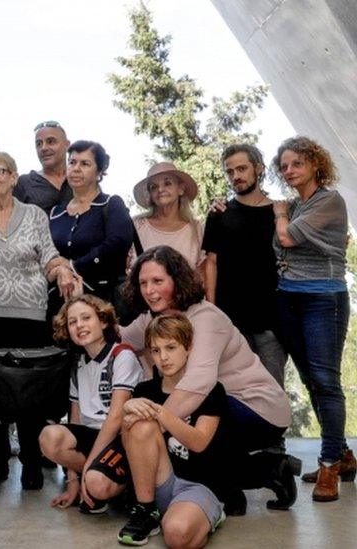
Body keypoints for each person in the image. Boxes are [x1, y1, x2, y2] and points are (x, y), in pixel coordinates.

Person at [120, 245, 298, 515]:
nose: (149, 290)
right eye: (143, 282)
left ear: (177, 280)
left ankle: (268, 470)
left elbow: (198, 385)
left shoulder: (205, 318)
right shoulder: (153, 319)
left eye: (158, 281)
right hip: (217, 404)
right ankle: (230, 489)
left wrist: (148, 428)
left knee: (182, 440)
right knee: (183, 437)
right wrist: (89, 314)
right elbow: (121, 339)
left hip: (258, 410)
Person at [0, 150, 78, 489]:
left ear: (13, 176)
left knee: (29, 392)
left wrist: (62, 270)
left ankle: (32, 462)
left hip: (30, 314)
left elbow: (48, 255)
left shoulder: (34, 215)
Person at [271, 136, 353, 501]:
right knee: (309, 380)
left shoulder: (329, 200)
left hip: (323, 299)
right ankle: (345, 455)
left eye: (296, 164)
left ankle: (329, 464)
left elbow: (286, 239)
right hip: (289, 298)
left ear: (315, 165)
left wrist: (278, 215)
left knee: (325, 381)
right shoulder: (294, 204)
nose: (289, 171)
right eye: (284, 166)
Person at [118, 314, 228, 547]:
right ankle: (147, 511)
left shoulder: (210, 389)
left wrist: (161, 412)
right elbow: (128, 441)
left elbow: (198, 442)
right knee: (140, 423)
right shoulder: (144, 389)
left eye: (171, 347)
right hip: (157, 483)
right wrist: (127, 407)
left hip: (198, 485)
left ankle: (210, 514)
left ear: (188, 347)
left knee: (177, 534)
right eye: (155, 351)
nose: (163, 357)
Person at [40, 295, 144, 514]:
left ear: (103, 321)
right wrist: (73, 482)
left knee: (96, 483)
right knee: (49, 437)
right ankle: (97, 478)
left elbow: (116, 417)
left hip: (119, 437)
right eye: (72, 322)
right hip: (92, 434)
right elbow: (75, 421)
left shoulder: (121, 355)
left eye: (86, 318)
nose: (79, 325)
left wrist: (87, 468)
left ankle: (125, 485)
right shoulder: (78, 365)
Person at [203, 144, 286, 387]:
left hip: (272, 321)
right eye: (230, 171)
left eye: (242, 168)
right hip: (232, 322)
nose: (236, 176)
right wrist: (212, 310)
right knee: (235, 392)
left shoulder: (279, 213)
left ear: (258, 168)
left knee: (273, 392)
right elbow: (211, 262)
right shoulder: (219, 213)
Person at [48, 140, 133, 317]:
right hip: (61, 306)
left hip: (103, 304)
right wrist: (59, 269)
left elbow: (117, 245)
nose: (76, 168)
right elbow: (48, 254)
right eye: (72, 162)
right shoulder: (55, 213)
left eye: (85, 163)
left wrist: (72, 265)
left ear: (99, 172)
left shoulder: (111, 204)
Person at [130, 162, 204, 271]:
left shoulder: (195, 228)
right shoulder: (137, 225)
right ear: (150, 194)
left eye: (167, 183)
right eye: (154, 187)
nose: (160, 190)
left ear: (181, 189)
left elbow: (203, 272)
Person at [14, 120, 73, 211]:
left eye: (51, 142)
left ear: (67, 145)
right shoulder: (24, 183)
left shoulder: (80, 177)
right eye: (39, 144)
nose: (44, 148)